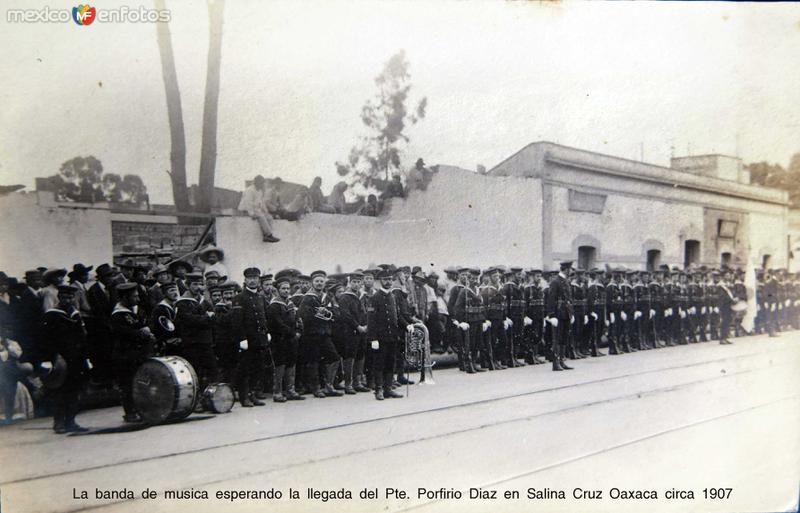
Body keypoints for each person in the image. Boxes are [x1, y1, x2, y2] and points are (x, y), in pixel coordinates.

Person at [41, 284, 90, 433]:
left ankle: (71, 421)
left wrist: (85, 356)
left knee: (74, 391)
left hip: (76, 358)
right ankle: (59, 423)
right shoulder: (52, 315)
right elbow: (46, 340)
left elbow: (82, 336)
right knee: (60, 391)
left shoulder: (75, 314)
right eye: (64, 297)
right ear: (59, 297)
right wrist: (51, 358)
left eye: (70, 297)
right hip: (61, 358)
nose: (68, 299)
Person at [110, 282, 155, 423]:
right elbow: (124, 333)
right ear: (125, 297)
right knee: (128, 385)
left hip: (138, 354)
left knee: (140, 383)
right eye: (134, 296)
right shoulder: (118, 315)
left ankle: (140, 410)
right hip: (125, 355)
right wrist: (142, 333)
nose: (138, 299)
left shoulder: (135, 311)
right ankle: (130, 412)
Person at [299, 270, 343, 398]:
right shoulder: (307, 298)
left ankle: (329, 385)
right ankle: (316, 388)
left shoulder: (327, 297)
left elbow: (336, 313)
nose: (319, 283)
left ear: (324, 283)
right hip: (312, 334)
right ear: (312, 282)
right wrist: (321, 314)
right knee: (313, 361)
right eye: (317, 281)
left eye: (321, 281)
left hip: (325, 334)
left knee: (334, 357)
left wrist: (326, 313)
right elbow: (304, 316)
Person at [174, 273, 218, 395]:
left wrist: (204, 319)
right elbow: (189, 320)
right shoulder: (182, 303)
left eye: (200, 284)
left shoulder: (205, 302)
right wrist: (206, 318)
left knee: (211, 370)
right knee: (195, 371)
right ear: (188, 285)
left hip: (206, 342)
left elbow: (214, 318)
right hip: (192, 343)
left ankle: (210, 397)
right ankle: (196, 399)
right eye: (195, 284)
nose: (198, 287)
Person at [233, 268, 270, 407]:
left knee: (258, 367)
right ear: (245, 280)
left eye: (255, 277)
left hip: (260, 339)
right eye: (250, 278)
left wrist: (267, 333)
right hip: (248, 340)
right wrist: (242, 339)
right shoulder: (239, 298)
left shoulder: (260, 297)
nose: (253, 280)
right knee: (245, 369)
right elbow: (237, 321)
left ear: (259, 280)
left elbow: (265, 317)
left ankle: (253, 394)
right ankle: (244, 397)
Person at [366, 269, 404, 400]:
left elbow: (396, 316)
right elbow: (371, 320)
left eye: (390, 279)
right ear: (380, 281)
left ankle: (388, 389)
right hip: (380, 338)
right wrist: (373, 338)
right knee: (379, 364)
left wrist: (405, 326)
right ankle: (379, 390)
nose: (388, 282)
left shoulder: (392, 296)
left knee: (390, 362)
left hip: (392, 336)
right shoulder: (373, 298)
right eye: (385, 279)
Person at [267, 272, 305, 402]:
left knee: (291, 363)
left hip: (292, 340)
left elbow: (298, 318)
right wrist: (292, 333)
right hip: (280, 340)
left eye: (288, 288)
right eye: (283, 288)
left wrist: (299, 331)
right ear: (277, 290)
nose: (286, 291)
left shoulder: (290, 303)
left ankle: (290, 390)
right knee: (280, 365)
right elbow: (277, 323)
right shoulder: (274, 305)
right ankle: (277, 392)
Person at [546, 261, 575, 372]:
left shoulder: (565, 281)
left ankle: (562, 361)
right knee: (557, 338)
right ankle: (556, 363)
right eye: (570, 269)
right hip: (558, 314)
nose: (571, 271)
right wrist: (551, 315)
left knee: (564, 338)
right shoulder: (555, 282)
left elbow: (569, 299)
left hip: (566, 313)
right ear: (566, 269)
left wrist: (571, 313)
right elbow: (551, 299)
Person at [238, 175, 280, 243]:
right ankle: (269, 235)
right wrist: (251, 214)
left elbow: (262, 202)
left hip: (255, 209)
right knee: (261, 216)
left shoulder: (259, 191)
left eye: (262, 183)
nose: (262, 184)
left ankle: (267, 235)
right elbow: (248, 203)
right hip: (245, 209)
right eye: (261, 183)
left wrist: (266, 211)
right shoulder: (250, 190)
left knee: (269, 217)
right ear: (256, 182)